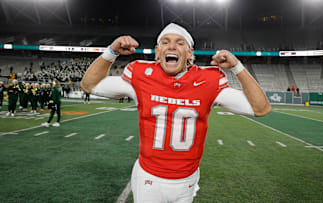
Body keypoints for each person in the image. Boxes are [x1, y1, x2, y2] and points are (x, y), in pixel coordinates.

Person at [80, 23, 271, 203]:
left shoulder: (208, 80)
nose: (171, 46)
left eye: (180, 43)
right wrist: (111, 51)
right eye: (165, 42)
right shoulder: (141, 74)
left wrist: (237, 67)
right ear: (157, 51)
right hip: (148, 177)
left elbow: (260, 108)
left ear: (189, 53)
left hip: (187, 180)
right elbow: (89, 85)